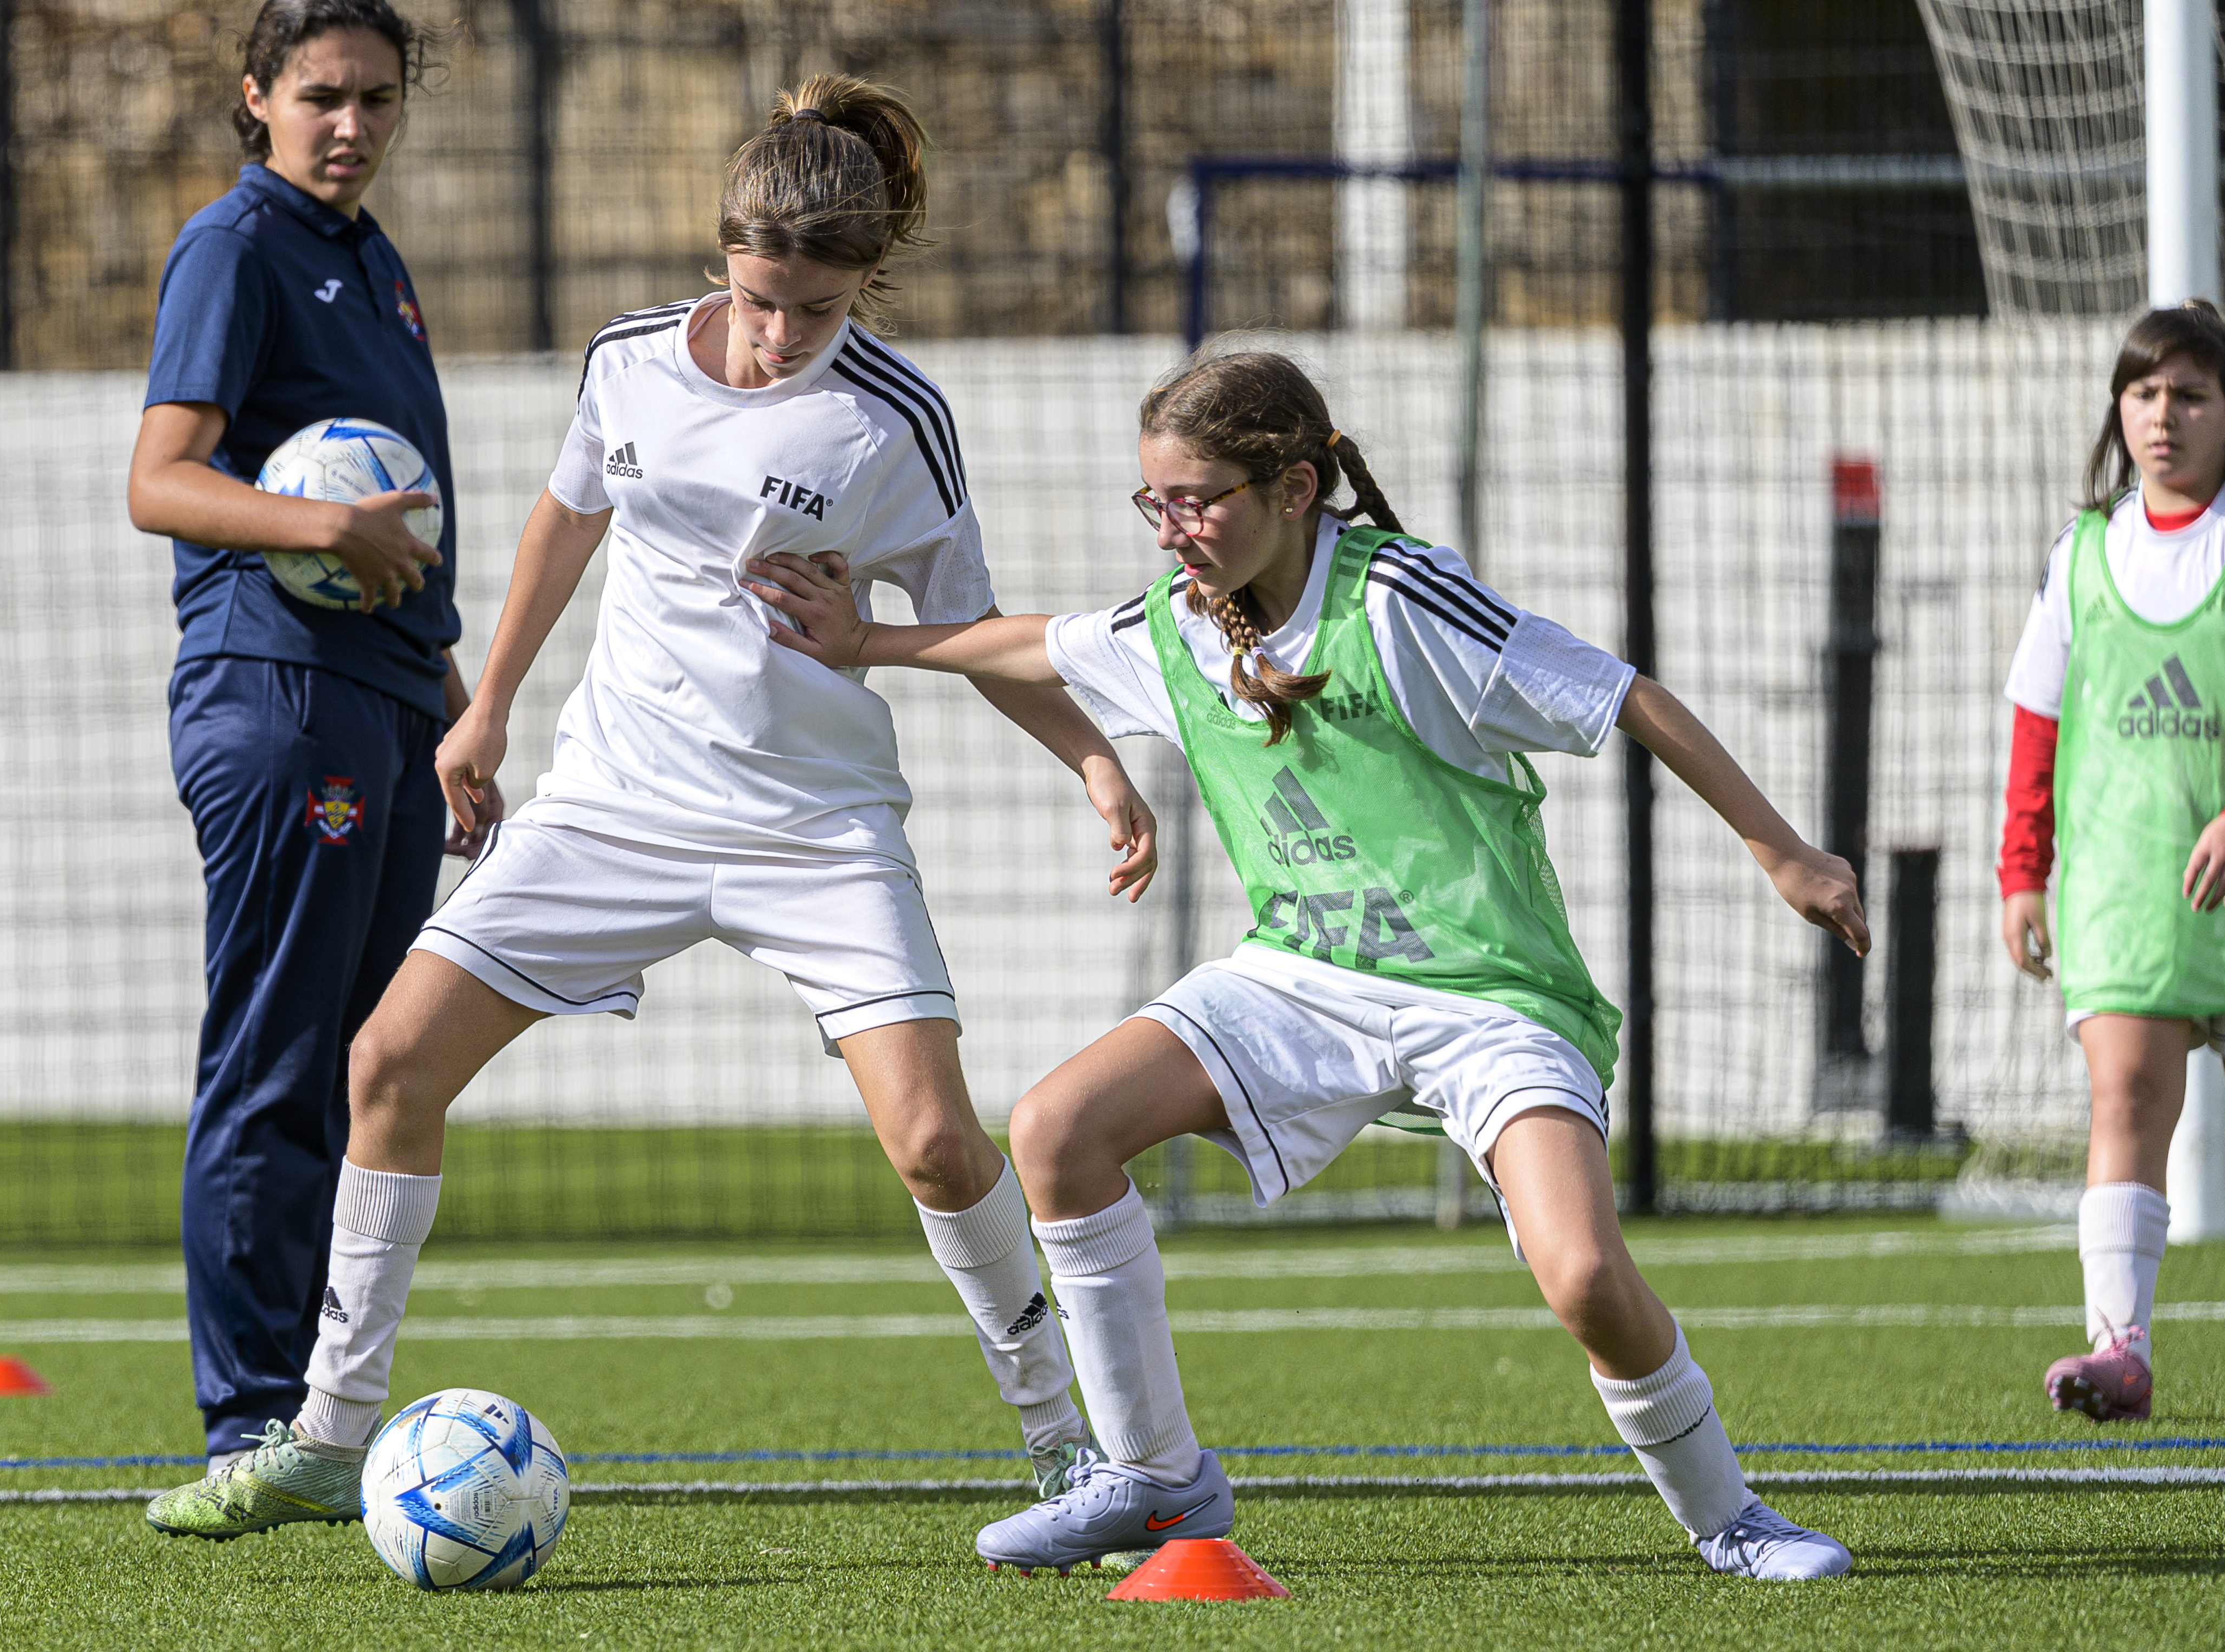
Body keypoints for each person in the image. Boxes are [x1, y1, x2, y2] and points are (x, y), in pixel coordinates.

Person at [169, 73, 1155, 1538]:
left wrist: (1086, 754)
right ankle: (323, 1432)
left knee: (940, 1144)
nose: (777, 338)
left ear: (860, 289)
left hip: (811, 827)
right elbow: (566, 520)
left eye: (813, 313)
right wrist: (488, 708)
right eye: (760, 301)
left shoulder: (896, 424)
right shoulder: (628, 363)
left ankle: (1067, 1449)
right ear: (725, 262)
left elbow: (970, 625)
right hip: (612, 806)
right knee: (387, 1062)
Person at [747, 349, 1868, 1581]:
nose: (1174, 528)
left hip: (1489, 1000)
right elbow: (1034, 644)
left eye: (1199, 500)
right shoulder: (1176, 625)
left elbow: (1623, 696)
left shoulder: (1404, 602)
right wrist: (866, 639)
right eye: (1155, 503)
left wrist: (1784, 852)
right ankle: (1156, 1481)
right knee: (1057, 1128)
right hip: (1300, 979)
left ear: (1294, 486)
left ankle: (1731, 1520)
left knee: (1586, 1273)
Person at [129, 0, 498, 1532]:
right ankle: (251, 1415)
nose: (352, 125)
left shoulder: (377, 262)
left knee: (373, 1064)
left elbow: (401, 543)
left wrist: (454, 700)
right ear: (257, 97)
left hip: (387, 698)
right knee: (284, 1056)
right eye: (324, 97)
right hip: (277, 698)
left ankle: (329, 1413)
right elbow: (159, 480)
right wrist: (321, 527)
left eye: (378, 100)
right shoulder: (236, 246)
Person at [1998, 299, 2225, 1424]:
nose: (2163, 416)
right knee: (2123, 1095)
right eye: (2143, 394)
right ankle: (2119, 1348)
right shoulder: (2085, 551)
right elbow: (2034, 721)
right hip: (2129, 884)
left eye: (2188, 393)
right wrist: (2019, 872)